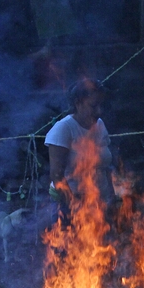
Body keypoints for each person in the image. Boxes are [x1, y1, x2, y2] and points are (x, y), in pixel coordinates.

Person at [45, 77, 114, 211]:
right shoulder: (63, 128)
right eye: (93, 106)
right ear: (78, 103)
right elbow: (57, 176)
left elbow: (105, 167)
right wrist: (75, 206)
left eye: (101, 105)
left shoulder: (99, 125)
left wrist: (111, 197)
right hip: (71, 203)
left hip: (99, 202)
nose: (99, 111)